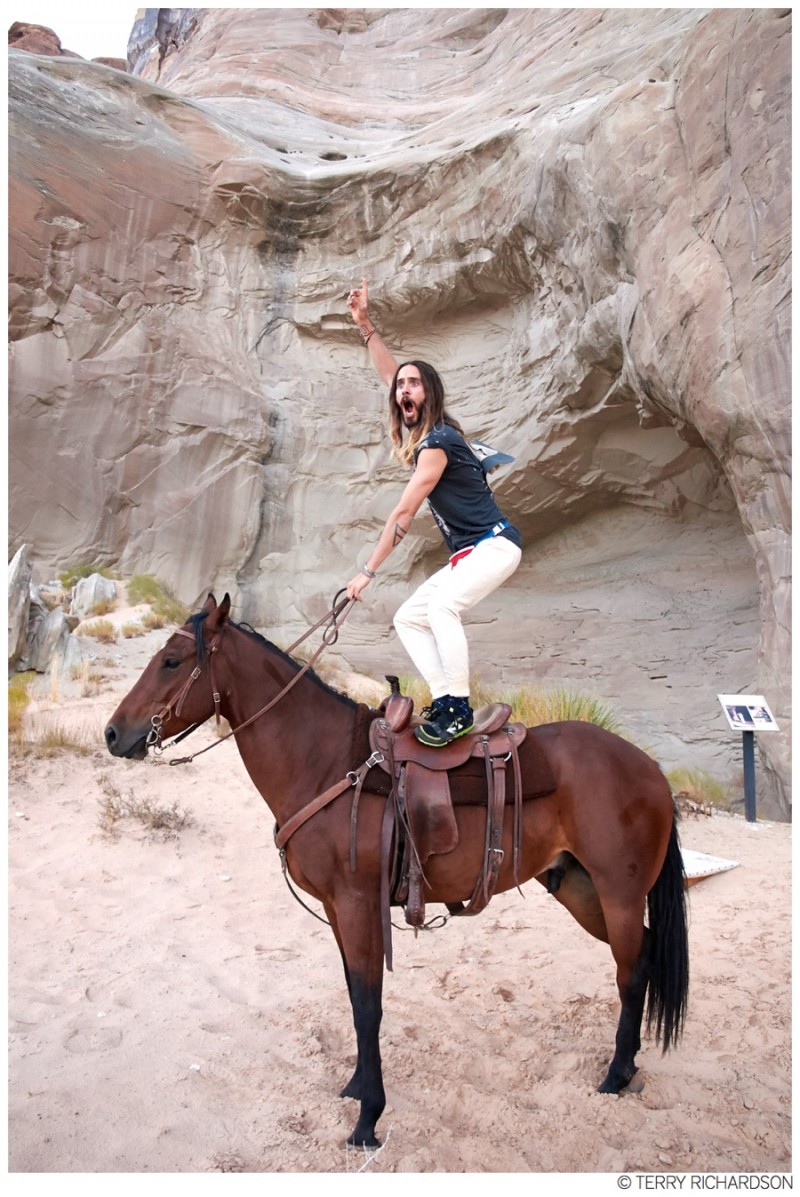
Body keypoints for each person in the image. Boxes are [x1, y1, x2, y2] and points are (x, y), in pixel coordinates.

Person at [344, 278, 522, 746]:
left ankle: (458, 708)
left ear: (430, 394)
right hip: (469, 554)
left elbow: (403, 514)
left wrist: (367, 571)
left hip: (495, 545)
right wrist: (365, 326)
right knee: (409, 617)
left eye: (414, 384)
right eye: (402, 385)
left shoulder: (439, 442)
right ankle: (443, 698)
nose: (403, 389)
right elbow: (388, 374)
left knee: (442, 606)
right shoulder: (423, 427)